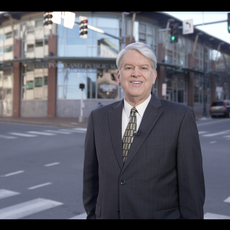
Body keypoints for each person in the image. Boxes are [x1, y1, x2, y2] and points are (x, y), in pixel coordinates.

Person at [83, 42, 205, 219]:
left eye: (143, 67)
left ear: (153, 76)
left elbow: (191, 189)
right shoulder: (98, 118)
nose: (136, 73)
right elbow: (90, 180)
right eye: (129, 67)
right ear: (118, 75)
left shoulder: (180, 117)